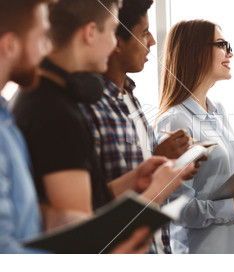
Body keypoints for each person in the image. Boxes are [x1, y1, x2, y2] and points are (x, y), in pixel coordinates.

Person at [11, 0, 193, 237]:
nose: (113, 42)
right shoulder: (55, 112)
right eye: (110, 30)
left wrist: (133, 181)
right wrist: (156, 191)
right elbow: (80, 237)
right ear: (90, 33)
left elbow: (88, 204)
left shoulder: (51, 98)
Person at [0, 0, 151, 254]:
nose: (45, 50)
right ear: (10, 45)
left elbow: (28, 215)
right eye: (41, 38)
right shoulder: (52, 111)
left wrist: (132, 183)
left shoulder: (9, 116)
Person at [154, 19, 234, 254]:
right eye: (222, 45)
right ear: (195, 52)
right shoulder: (175, 121)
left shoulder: (217, 110)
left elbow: (219, 185)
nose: (230, 53)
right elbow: (180, 210)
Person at [79, 0, 193, 254]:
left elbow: (139, 176)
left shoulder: (131, 97)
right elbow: (96, 201)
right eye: (144, 33)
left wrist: (166, 161)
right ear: (116, 41)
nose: (152, 41)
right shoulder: (87, 108)